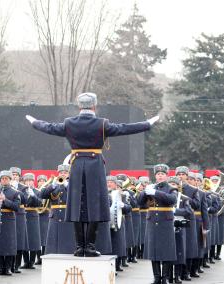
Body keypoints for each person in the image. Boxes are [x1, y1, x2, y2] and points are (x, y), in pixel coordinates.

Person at [26, 92, 158, 257]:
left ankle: (79, 247)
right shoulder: (102, 124)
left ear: (79, 106)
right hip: (95, 166)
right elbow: (124, 128)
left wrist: (34, 122)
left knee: (75, 205)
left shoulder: (69, 123)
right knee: (95, 206)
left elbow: (49, 127)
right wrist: (147, 124)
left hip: (76, 164)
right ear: (94, 106)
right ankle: (89, 246)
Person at [138, 164, 177, 284]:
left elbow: (172, 200)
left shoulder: (171, 188)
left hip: (165, 222)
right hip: (152, 222)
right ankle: (156, 277)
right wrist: (145, 192)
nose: (160, 176)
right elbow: (140, 202)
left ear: (166, 176)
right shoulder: (151, 187)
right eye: (158, 174)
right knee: (153, 250)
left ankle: (164, 278)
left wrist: (155, 192)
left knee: (166, 251)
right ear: (155, 176)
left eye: (162, 174)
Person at [41, 165, 76, 254]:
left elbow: (75, 195)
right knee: (53, 242)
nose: (63, 174)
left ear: (69, 174)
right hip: (55, 216)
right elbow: (43, 194)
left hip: (67, 215)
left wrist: (66, 185)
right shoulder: (55, 185)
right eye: (61, 173)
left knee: (68, 241)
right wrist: (53, 185)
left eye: (65, 173)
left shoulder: (73, 184)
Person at [0, 170, 21, 276]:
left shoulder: (15, 192)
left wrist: (5, 200)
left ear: (10, 180)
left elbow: (16, 207)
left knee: (9, 244)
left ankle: (8, 268)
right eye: (2, 178)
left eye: (6, 178)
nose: (4, 180)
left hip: (9, 219)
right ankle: (1, 268)